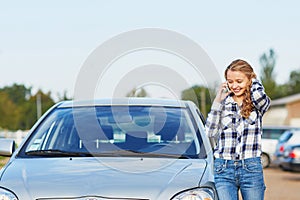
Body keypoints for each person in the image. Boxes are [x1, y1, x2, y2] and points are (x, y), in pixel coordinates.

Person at [205, 59, 270, 200]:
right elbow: (210, 132)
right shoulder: (223, 103)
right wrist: (217, 100)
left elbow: (260, 96)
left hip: (251, 167)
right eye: (230, 81)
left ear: (249, 80)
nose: (234, 85)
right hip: (223, 168)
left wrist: (254, 80)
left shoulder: (257, 104)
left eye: (239, 81)